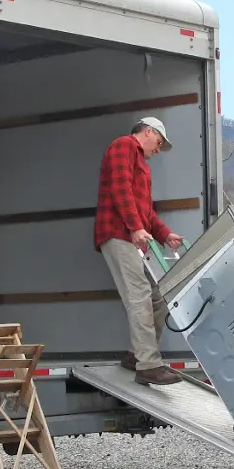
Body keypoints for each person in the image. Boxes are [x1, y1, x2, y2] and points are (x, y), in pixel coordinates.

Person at [94, 117, 184, 386]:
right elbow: (120, 190)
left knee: (158, 299)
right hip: (118, 234)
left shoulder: (141, 165)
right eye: (159, 143)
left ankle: (137, 357)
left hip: (131, 236)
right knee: (140, 294)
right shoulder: (124, 146)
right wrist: (135, 227)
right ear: (148, 132)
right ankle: (148, 364)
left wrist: (165, 234)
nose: (158, 150)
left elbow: (146, 211)